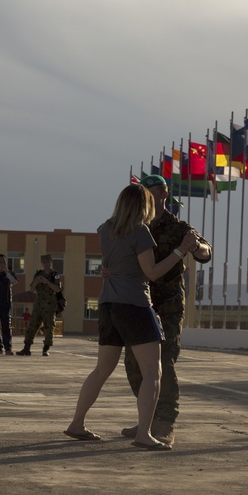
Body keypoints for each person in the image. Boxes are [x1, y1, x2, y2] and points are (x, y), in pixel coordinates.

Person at [64, 184, 197, 449]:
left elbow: (112, 264)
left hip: (108, 305)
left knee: (101, 370)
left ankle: (77, 423)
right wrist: (180, 251)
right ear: (143, 205)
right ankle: (144, 434)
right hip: (135, 305)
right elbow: (152, 272)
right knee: (153, 372)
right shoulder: (140, 231)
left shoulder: (106, 229)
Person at [121, 175, 212, 446]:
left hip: (169, 306)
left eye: (152, 192)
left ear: (163, 194)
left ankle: (165, 422)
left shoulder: (178, 227)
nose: (147, 196)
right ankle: (147, 419)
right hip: (140, 302)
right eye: (144, 192)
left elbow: (205, 252)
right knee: (133, 364)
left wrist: (195, 246)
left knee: (165, 361)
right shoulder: (136, 226)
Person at [17, 254, 61, 356]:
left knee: (49, 328)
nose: (46, 264)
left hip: (50, 306)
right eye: (44, 262)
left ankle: (46, 348)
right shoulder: (38, 274)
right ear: (42, 263)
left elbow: (58, 289)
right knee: (32, 326)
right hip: (38, 305)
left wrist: (47, 282)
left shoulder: (55, 275)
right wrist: (36, 281)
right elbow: (32, 289)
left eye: (48, 262)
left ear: (51, 262)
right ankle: (26, 348)